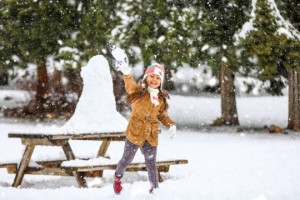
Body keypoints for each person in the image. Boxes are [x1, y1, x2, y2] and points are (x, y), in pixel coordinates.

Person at [113, 59, 177, 195]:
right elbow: (129, 85)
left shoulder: (160, 99)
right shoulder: (138, 91)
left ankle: (154, 188)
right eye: (152, 76)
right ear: (146, 78)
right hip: (135, 132)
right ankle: (118, 178)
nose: (154, 80)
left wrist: (171, 124)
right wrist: (127, 74)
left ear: (161, 81)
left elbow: (162, 115)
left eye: (157, 78)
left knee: (151, 163)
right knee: (126, 160)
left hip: (151, 135)